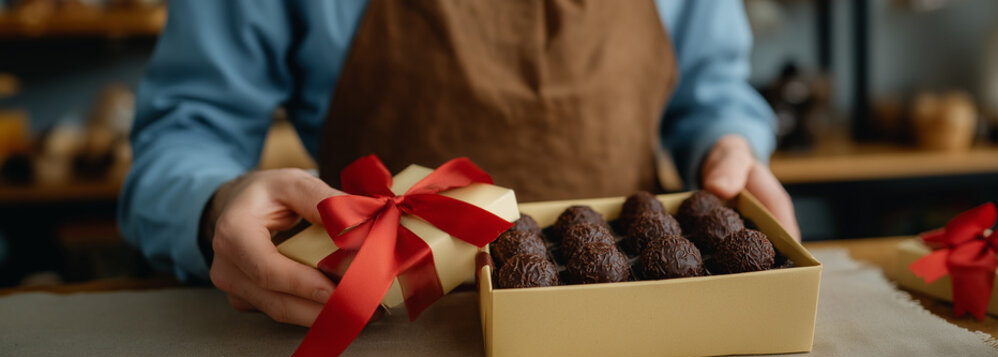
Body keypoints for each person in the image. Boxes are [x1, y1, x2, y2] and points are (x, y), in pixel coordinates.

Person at [119, 0, 800, 327]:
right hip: (384, 328)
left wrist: (729, 144)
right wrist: (215, 203)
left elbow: (712, 90)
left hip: (641, 321)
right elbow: (183, 135)